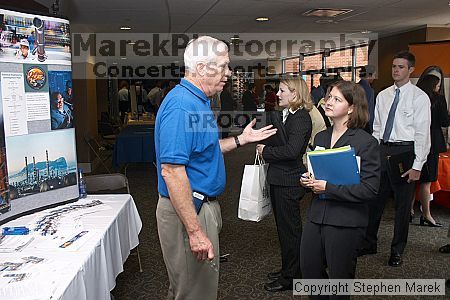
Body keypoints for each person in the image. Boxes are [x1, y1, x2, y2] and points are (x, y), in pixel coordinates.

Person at [155, 36, 277, 300]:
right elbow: (172, 171)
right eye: (223, 66)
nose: (228, 73)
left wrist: (240, 140)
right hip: (190, 208)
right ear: (201, 68)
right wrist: (195, 232)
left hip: (200, 206)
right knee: (195, 293)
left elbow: (204, 149)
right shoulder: (182, 106)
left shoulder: (198, 101)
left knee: (188, 288)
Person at [300, 81, 380, 295]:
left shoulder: (366, 143)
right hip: (317, 216)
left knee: (339, 282)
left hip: (346, 220)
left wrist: (328, 188)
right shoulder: (321, 137)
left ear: (352, 108)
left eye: (337, 99)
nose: (328, 102)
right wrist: (309, 180)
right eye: (328, 97)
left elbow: (370, 190)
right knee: (310, 273)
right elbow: (318, 174)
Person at [360, 51, 431, 267]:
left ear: (411, 70)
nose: (395, 70)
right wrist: (372, 153)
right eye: (393, 66)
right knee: (374, 201)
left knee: (401, 208)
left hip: (405, 153)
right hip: (383, 151)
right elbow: (378, 128)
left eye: (400, 67)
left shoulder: (419, 97)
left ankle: (397, 250)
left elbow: (422, 135)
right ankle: (369, 242)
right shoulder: (383, 95)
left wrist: (418, 165)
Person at [256, 77, 312, 292]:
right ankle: (289, 270)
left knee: (290, 232)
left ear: (295, 94)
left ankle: (292, 276)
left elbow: (292, 151)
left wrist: (265, 151)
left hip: (289, 181)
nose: (277, 94)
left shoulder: (300, 118)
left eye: (281, 91)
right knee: (285, 230)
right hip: (281, 178)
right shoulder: (289, 115)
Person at [410, 74, 448, 227]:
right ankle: (426, 215)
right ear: (434, 86)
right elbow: (445, 121)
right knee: (426, 181)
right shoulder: (438, 99)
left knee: (411, 180)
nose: (439, 88)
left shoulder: (414, 97)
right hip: (432, 142)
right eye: (438, 86)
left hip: (413, 140)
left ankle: (409, 211)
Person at [358, 65, 376, 133]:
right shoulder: (369, 90)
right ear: (369, 75)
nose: (374, 77)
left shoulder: (355, 87)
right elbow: (370, 111)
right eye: (374, 75)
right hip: (365, 126)